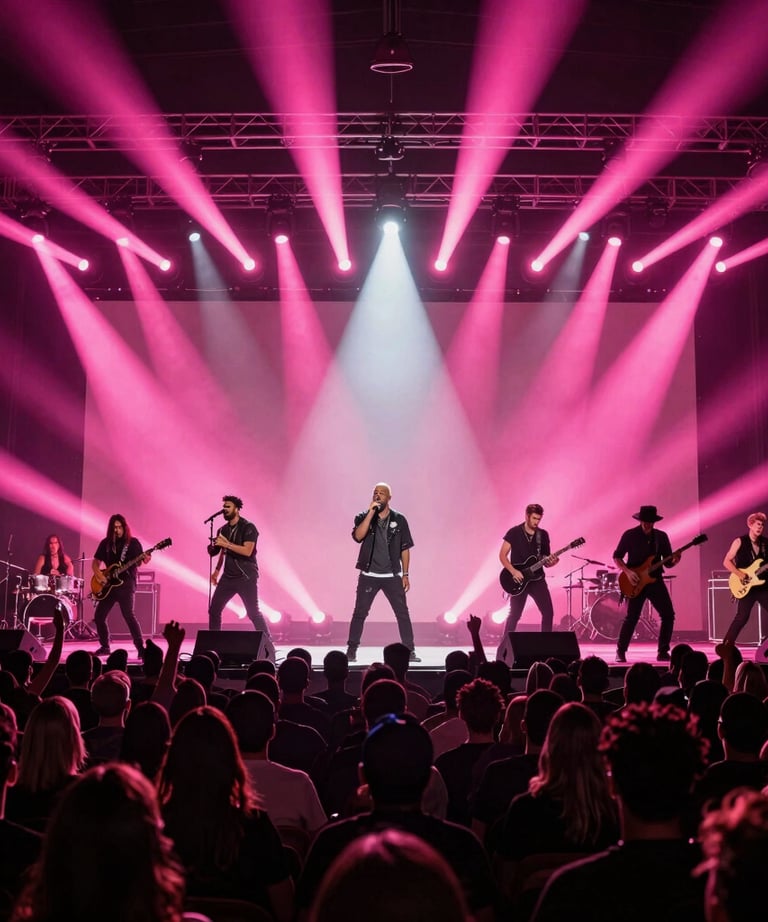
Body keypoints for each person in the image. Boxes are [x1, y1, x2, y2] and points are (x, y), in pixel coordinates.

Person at [346, 483, 418, 663]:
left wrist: (406, 574)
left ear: (389, 498)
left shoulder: (399, 520)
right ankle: (352, 649)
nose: (378, 496)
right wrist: (370, 513)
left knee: (402, 613)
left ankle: (409, 651)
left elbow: (405, 548)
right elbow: (358, 537)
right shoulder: (363, 517)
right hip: (369, 575)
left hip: (392, 575)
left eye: (382, 493)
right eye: (375, 493)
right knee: (360, 613)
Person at [612, 505, 680, 663]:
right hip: (635, 580)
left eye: (650, 522)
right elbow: (617, 557)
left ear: (654, 522)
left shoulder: (661, 537)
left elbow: (668, 562)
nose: (647, 524)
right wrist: (628, 572)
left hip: (655, 580)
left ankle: (663, 651)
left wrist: (675, 560)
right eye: (644, 521)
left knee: (668, 615)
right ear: (640, 520)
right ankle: (620, 651)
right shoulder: (629, 535)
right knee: (632, 617)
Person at [208, 495, 273, 647]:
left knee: (253, 613)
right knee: (214, 609)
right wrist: (216, 570)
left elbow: (247, 551)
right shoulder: (222, 529)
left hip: (246, 576)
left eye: (228, 507)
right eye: (224, 507)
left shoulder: (248, 527)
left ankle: (268, 645)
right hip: (228, 577)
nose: (224, 509)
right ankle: (213, 646)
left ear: (236, 509)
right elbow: (222, 552)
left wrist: (227, 544)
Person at [91, 514, 149, 658]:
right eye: (114, 528)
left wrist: (145, 559)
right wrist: (99, 575)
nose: (117, 530)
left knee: (129, 615)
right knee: (99, 616)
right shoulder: (105, 543)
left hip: (126, 585)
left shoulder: (133, 543)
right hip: (109, 586)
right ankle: (105, 646)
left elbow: (140, 562)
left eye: (119, 527)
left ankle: (141, 648)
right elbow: (95, 562)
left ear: (124, 527)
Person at [498, 503, 559, 639]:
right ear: (527, 516)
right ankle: (504, 646)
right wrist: (513, 571)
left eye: (539, 519)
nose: (536, 522)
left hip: (537, 579)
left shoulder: (543, 535)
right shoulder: (513, 532)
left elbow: (545, 559)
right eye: (534, 519)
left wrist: (553, 562)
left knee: (548, 612)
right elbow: (502, 555)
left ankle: (546, 646)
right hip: (518, 578)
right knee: (514, 615)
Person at [721, 512, 768, 645]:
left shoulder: (766, 543)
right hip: (745, 585)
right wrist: (740, 574)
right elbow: (726, 562)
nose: (760, 527)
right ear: (750, 525)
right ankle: (726, 645)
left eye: (762, 525)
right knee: (742, 617)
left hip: (762, 586)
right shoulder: (739, 541)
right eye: (758, 524)